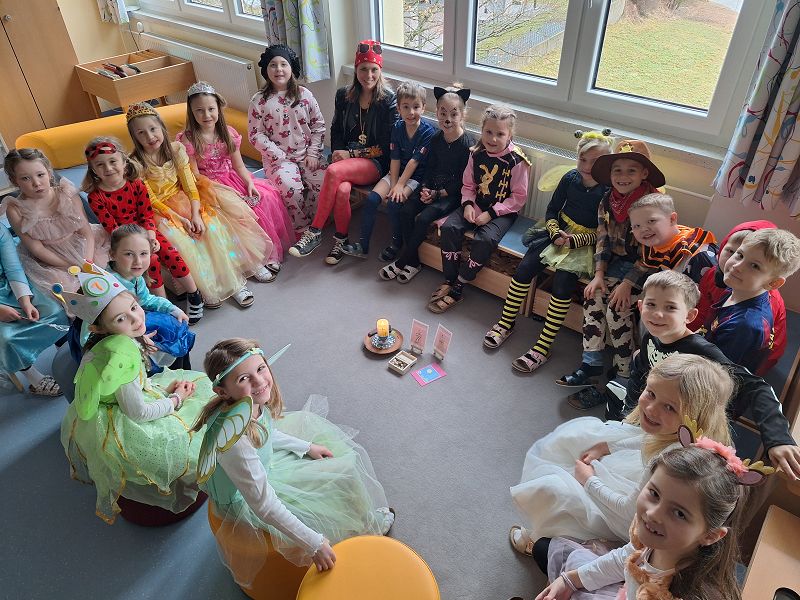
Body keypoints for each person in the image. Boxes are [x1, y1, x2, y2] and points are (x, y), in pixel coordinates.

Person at [191, 338, 395, 586]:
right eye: (244, 379)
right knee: (335, 483)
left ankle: (366, 521)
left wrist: (305, 447)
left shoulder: (248, 405)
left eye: (260, 368)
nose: (259, 381)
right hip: (246, 499)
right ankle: (363, 533)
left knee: (344, 465)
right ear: (223, 392)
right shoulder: (235, 442)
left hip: (261, 466)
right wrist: (314, 543)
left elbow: (266, 434)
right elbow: (264, 505)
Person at [509, 354, 732, 551]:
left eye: (669, 407)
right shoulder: (679, 434)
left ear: (695, 416)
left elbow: (629, 512)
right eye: (651, 393)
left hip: (629, 518)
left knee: (555, 491)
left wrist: (589, 481)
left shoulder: (670, 459)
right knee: (580, 439)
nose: (651, 409)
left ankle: (540, 539)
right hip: (639, 483)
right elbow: (647, 440)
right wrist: (607, 446)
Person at [55, 261, 213, 524]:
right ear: (99, 328)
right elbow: (138, 412)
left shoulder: (102, 342)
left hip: (118, 402)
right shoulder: (120, 361)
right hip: (124, 421)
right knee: (196, 419)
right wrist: (176, 399)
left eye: (133, 307)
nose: (136, 319)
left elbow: (134, 387)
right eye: (121, 319)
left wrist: (157, 387)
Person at [534, 437, 768, 600]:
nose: (653, 513)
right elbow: (625, 558)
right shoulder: (649, 538)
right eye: (654, 493)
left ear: (710, 536)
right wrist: (570, 580)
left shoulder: (687, 593)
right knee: (544, 550)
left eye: (679, 513)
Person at [621, 269, 800, 479]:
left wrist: (778, 438)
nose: (658, 314)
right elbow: (641, 371)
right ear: (640, 306)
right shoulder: (651, 337)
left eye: (670, 307)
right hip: (658, 421)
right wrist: (629, 412)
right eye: (651, 305)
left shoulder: (701, 352)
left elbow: (755, 386)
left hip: (688, 433)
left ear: (690, 315)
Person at [569, 192, 717, 409]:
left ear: (672, 219)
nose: (643, 230)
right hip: (665, 306)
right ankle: (621, 374)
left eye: (651, 221)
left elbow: (700, 304)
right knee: (615, 306)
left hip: (685, 324)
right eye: (636, 226)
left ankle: (626, 386)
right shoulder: (656, 243)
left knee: (649, 351)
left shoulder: (697, 254)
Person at [483, 129, 614, 372]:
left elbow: (606, 231)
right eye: (583, 159)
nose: (587, 167)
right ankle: (506, 322)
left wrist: (576, 240)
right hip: (557, 231)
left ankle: (543, 346)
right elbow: (552, 210)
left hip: (585, 242)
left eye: (595, 162)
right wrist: (554, 232)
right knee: (524, 269)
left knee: (563, 284)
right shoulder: (570, 178)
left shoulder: (608, 192)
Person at [127, 101, 271, 308]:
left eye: (153, 129)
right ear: (134, 137)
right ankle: (209, 287)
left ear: (161, 128)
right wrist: (180, 219)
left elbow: (190, 185)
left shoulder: (176, 150)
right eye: (141, 133)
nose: (150, 137)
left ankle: (234, 281)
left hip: (186, 199)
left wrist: (195, 214)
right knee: (181, 241)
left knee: (214, 227)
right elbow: (151, 200)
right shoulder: (136, 163)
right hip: (161, 211)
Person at [557, 140, 664, 395]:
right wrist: (598, 274)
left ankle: (625, 373)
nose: (623, 177)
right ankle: (591, 363)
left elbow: (653, 251)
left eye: (631, 170)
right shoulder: (608, 200)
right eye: (618, 170)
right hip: (616, 264)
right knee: (594, 294)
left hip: (645, 268)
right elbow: (603, 239)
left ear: (644, 173)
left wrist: (627, 284)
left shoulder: (653, 205)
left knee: (617, 308)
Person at [288, 40, 398, 265]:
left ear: (380, 70)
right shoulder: (343, 95)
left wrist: (351, 155)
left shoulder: (388, 100)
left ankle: (315, 231)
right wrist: (339, 150)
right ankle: (341, 240)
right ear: (356, 69)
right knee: (342, 190)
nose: (368, 75)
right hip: (346, 158)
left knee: (334, 172)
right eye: (363, 69)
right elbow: (336, 129)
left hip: (376, 162)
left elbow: (387, 146)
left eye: (374, 69)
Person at [83, 136, 204, 320]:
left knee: (170, 253)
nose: (108, 168)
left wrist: (151, 238)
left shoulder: (136, 184)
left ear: (124, 162)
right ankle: (165, 306)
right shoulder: (96, 196)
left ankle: (194, 294)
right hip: (122, 239)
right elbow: (112, 228)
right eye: (100, 165)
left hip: (146, 231)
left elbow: (147, 215)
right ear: (93, 169)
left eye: (113, 161)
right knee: (151, 260)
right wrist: (138, 246)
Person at [181, 81, 294, 278]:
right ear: (191, 112)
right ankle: (255, 260)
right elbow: (195, 175)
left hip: (232, 177)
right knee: (237, 214)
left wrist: (249, 182)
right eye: (199, 110)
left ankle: (270, 251)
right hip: (209, 186)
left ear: (218, 108)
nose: (206, 115)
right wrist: (226, 190)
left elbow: (239, 166)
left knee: (266, 198)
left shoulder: (227, 133)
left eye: (211, 109)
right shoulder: (188, 139)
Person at [427, 104, 530, 313]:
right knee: (449, 227)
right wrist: (467, 205)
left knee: (485, 240)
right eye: (488, 132)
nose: (493, 139)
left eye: (500, 134)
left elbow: (518, 198)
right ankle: (449, 278)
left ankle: (459, 284)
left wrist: (490, 214)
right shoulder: (476, 153)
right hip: (476, 202)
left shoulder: (517, 161)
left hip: (502, 211)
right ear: (482, 130)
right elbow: (468, 185)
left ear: (510, 135)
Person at [379, 85, 474, 283]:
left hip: (451, 195)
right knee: (406, 211)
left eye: (454, 114)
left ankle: (402, 261)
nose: (448, 119)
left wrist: (438, 194)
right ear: (436, 112)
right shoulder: (436, 138)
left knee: (424, 218)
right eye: (443, 113)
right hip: (431, 188)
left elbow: (464, 181)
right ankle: (414, 262)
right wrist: (425, 189)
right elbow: (429, 168)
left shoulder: (468, 144)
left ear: (462, 115)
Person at [342, 80, 435, 260]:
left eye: (416, 107)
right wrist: (393, 184)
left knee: (393, 203)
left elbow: (413, 163)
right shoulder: (398, 127)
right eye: (406, 107)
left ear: (423, 108)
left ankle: (396, 244)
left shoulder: (427, 132)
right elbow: (395, 158)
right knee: (372, 200)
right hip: (396, 173)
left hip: (414, 177)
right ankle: (363, 245)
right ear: (398, 109)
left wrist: (399, 186)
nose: (411, 112)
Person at [3, 148, 110, 294]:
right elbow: (37, 249)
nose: (36, 183)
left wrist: (88, 261)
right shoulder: (15, 210)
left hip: (81, 244)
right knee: (66, 288)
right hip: (50, 257)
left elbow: (86, 231)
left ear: (49, 172)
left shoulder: (67, 193)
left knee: (110, 266)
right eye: (25, 178)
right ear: (14, 180)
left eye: (40, 175)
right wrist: (70, 266)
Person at [689, 220, 786, 376]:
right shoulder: (732, 283)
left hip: (727, 367)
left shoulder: (747, 324)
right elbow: (702, 311)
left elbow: (718, 374)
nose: (736, 266)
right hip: (714, 338)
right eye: (737, 253)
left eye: (754, 265)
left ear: (772, 282)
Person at [248, 46, 326, 239]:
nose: (279, 69)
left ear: (292, 68)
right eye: (273, 65)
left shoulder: (305, 95)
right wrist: (278, 155)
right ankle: (302, 226)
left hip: (307, 155)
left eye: (284, 64)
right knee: (290, 188)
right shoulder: (259, 101)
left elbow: (318, 126)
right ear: (266, 70)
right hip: (278, 159)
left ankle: (316, 220)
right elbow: (255, 134)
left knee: (326, 181)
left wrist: (313, 153)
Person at [94, 224, 194, 371]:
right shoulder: (105, 287)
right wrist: (135, 340)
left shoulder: (134, 277)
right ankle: (169, 375)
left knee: (174, 326)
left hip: (129, 325)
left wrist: (172, 309)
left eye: (143, 253)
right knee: (167, 334)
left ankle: (182, 373)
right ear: (112, 254)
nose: (138, 261)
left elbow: (146, 299)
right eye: (129, 254)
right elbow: (92, 333)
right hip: (113, 341)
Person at [0, 222, 68, 396]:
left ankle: (67, 352)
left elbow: (12, 267)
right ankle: (33, 378)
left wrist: (25, 301)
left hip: (12, 285)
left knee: (55, 310)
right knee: (7, 338)